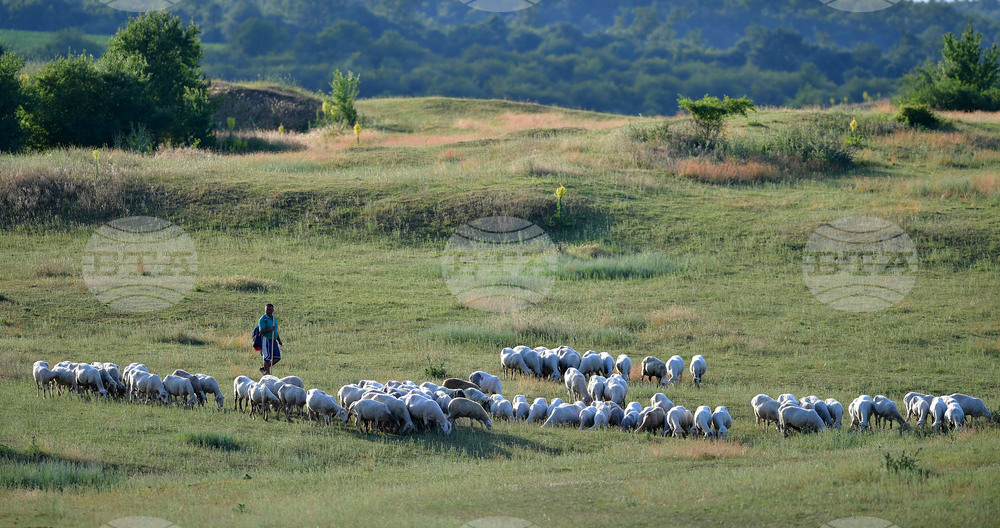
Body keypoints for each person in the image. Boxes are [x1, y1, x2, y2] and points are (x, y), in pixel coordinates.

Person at [258, 303, 282, 375]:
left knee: (277, 357)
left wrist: (279, 340)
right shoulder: (263, 319)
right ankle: (267, 375)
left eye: (270, 309)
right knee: (267, 358)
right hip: (267, 340)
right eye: (267, 309)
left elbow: (276, 331)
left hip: (274, 340)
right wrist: (270, 329)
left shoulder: (274, 318)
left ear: (273, 310)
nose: (268, 311)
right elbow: (261, 331)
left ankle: (265, 368)